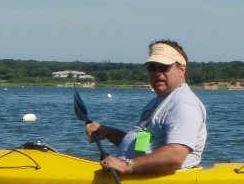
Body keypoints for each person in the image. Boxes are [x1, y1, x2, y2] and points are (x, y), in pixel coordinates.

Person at [85, 40, 207, 175]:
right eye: (152, 67)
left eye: (164, 67)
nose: (157, 72)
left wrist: (127, 166)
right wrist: (109, 133)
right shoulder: (158, 102)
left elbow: (175, 156)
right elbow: (141, 146)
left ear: (181, 69)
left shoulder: (184, 105)